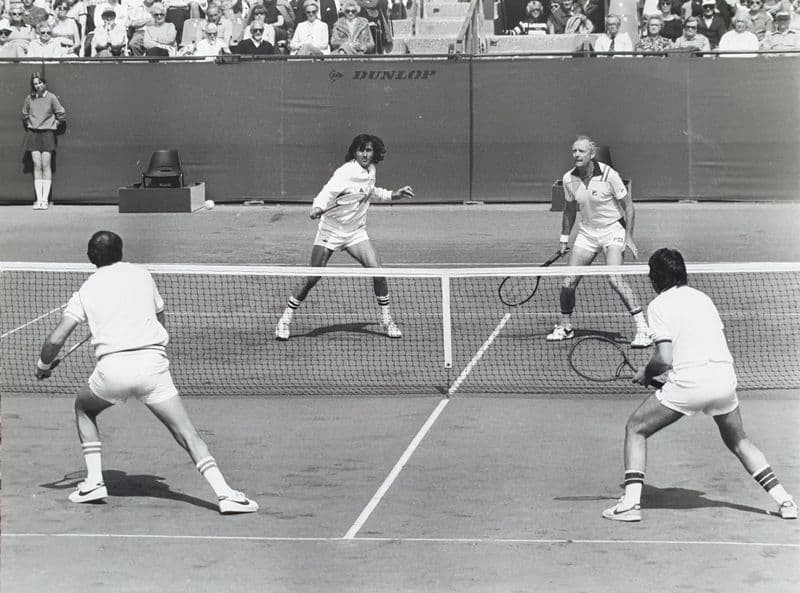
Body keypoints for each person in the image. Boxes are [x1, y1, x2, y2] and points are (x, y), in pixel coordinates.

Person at [35, 231, 258, 515]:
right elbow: (160, 319)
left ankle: (93, 483)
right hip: (153, 367)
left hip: (112, 372)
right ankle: (225, 494)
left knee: (84, 408)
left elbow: (55, 340)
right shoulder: (142, 276)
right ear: (121, 252)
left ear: (90, 256)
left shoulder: (85, 291)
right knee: (187, 433)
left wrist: (43, 366)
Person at [602, 248, 798, 522]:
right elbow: (698, 345)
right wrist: (665, 376)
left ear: (656, 278)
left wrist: (647, 373)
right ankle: (786, 501)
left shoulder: (658, 305)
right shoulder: (704, 299)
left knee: (636, 428)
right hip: (723, 379)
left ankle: (631, 504)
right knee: (739, 440)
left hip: (690, 385)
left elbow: (664, 358)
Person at [275, 134, 415, 341]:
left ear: (374, 152)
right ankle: (285, 319)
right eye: (361, 150)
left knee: (378, 272)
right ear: (354, 152)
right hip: (331, 231)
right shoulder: (345, 173)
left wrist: (394, 195)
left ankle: (386, 320)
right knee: (312, 277)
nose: (365, 154)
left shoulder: (371, 170)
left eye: (368, 150)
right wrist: (317, 207)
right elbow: (326, 192)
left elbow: (369, 192)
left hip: (355, 232)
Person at [546, 136, 652, 348]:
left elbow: (628, 206)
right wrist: (564, 239)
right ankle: (566, 326)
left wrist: (629, 236)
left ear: (592, 154)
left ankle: (644, 330)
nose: (577, 154)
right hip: (587, 234)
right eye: (574, 150)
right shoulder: (568, 179)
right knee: (567, 283)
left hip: (612, 230)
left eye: (581, 151)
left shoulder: (609, 175)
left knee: (614, 279)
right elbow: (569, 210)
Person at [22, 72, 66, 210]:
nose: (38, 86)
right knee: (37, 165)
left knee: (46, 165)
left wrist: (52, 125)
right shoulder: (29, 98)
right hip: (33, 135)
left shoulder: (52, 97)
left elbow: (61, 115)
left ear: (44, 83)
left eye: (40, 83)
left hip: (47, 134)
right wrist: (32, 124)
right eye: (35, 84)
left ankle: (45, 200)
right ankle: (39, 200)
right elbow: (25, 115)